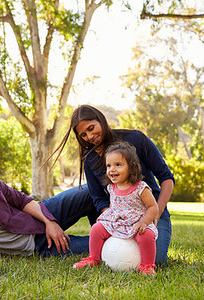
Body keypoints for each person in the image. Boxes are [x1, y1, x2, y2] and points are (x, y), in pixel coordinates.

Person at [51, 104, 174, 265]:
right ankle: (93, 252)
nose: (89, 136)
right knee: (110, 250)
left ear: (100, 119)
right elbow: (99, 199)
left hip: (151, 212)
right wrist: (116, 221)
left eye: (91, 128)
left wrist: (155, 215)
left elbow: (167, 178)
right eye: (83, 134)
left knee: (157, 260)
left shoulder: (136, 139)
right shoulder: (90, 159)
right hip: (118, 216)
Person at [73, 142, 159, 275]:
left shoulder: (140, 187)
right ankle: (93, 258)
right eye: (108, 165)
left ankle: (147, 266)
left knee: (146, 235)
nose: (112, 169)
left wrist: (144, 222)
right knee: (96, 228)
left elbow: (153, 207)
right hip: (117, 221)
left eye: (118, 165)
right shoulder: (111, 187)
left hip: (136, 222)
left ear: (131, 167)